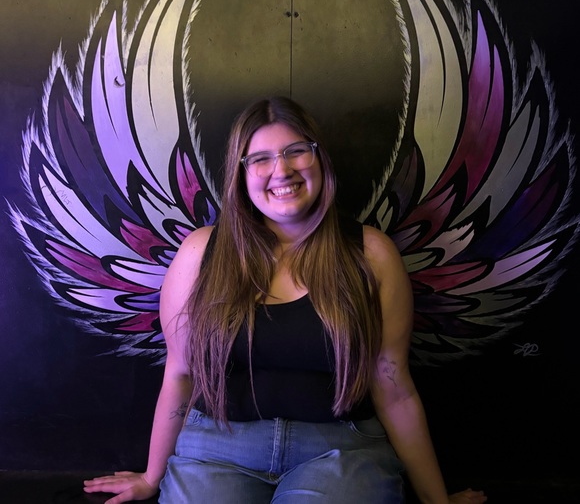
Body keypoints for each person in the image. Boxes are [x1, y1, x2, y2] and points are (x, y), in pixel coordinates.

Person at [84, 96, 487, 503]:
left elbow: (393, 386)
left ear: (319, 158)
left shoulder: (371, 255)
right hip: (217, 448)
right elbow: (180, 373)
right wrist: (152, 477)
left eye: (296, 151)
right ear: (240, 173)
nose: (282, 170)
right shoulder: (200, 253)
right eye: (260, 159)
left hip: (340, 450)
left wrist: (436, 499)